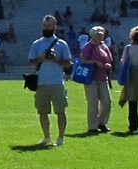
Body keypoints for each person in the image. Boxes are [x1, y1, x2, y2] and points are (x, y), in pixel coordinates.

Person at [27, 14, 72, 147]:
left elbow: (68, 63)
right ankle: (46, 137)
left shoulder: (61, 44)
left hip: (57, 81)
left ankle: (60, 137)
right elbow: (31, 63)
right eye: (45, 26)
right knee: (42, 111)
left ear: (54, 27)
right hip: (41, 82)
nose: (47, 28)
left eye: (49, 26)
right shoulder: (37, 44)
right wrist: (41, 58)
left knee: (60, 110)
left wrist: (55, 59)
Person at [80, 26, 114, 134]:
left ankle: (102, 122)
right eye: (97, 34)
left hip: (102, 77)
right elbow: (83, 60)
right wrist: (94, 62)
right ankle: (92, 126)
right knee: (93, 103)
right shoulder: (88, 46)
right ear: (93, 35)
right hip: (91, 78)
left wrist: (107, 65)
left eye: (101, 34)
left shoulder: (104, 47)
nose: (99, 36)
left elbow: (109, 60)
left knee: (107, 101)